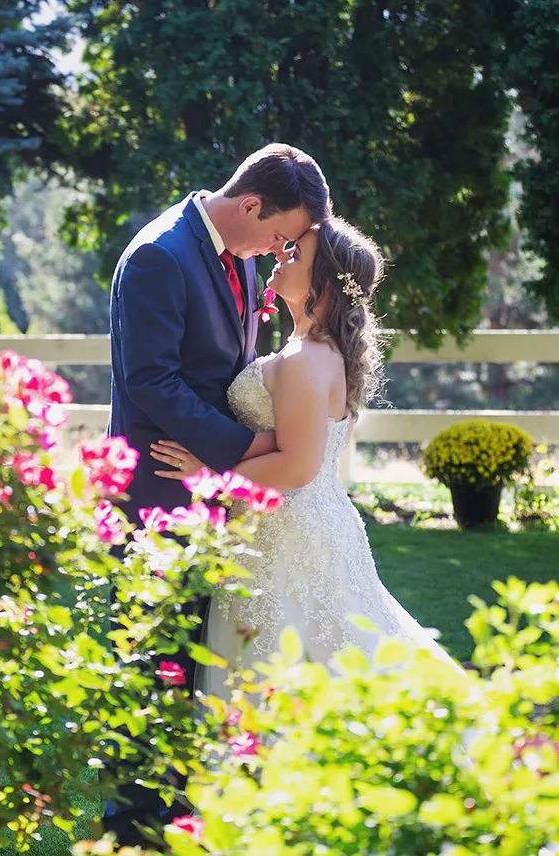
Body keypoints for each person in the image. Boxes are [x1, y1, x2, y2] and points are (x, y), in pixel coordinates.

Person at [103, 143, 331, 845]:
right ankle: (133, 825)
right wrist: (249, 449)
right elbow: (153, 380)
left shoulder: (244, 255)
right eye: (281, 234)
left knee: (198, 657)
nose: (281, 249)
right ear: (252, 205)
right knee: (151, 663)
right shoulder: (159, 257)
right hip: (159, 489)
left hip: (210, 493)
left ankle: (179, 812)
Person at [150, 216, 462, 695]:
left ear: (324, 283)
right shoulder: (325, 351)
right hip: (316, 521)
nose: (281, 253)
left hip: (287, 530)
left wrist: (208, 475)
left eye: (296, 253)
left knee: (290, 669)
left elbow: (297, 466)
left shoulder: (302, 361)